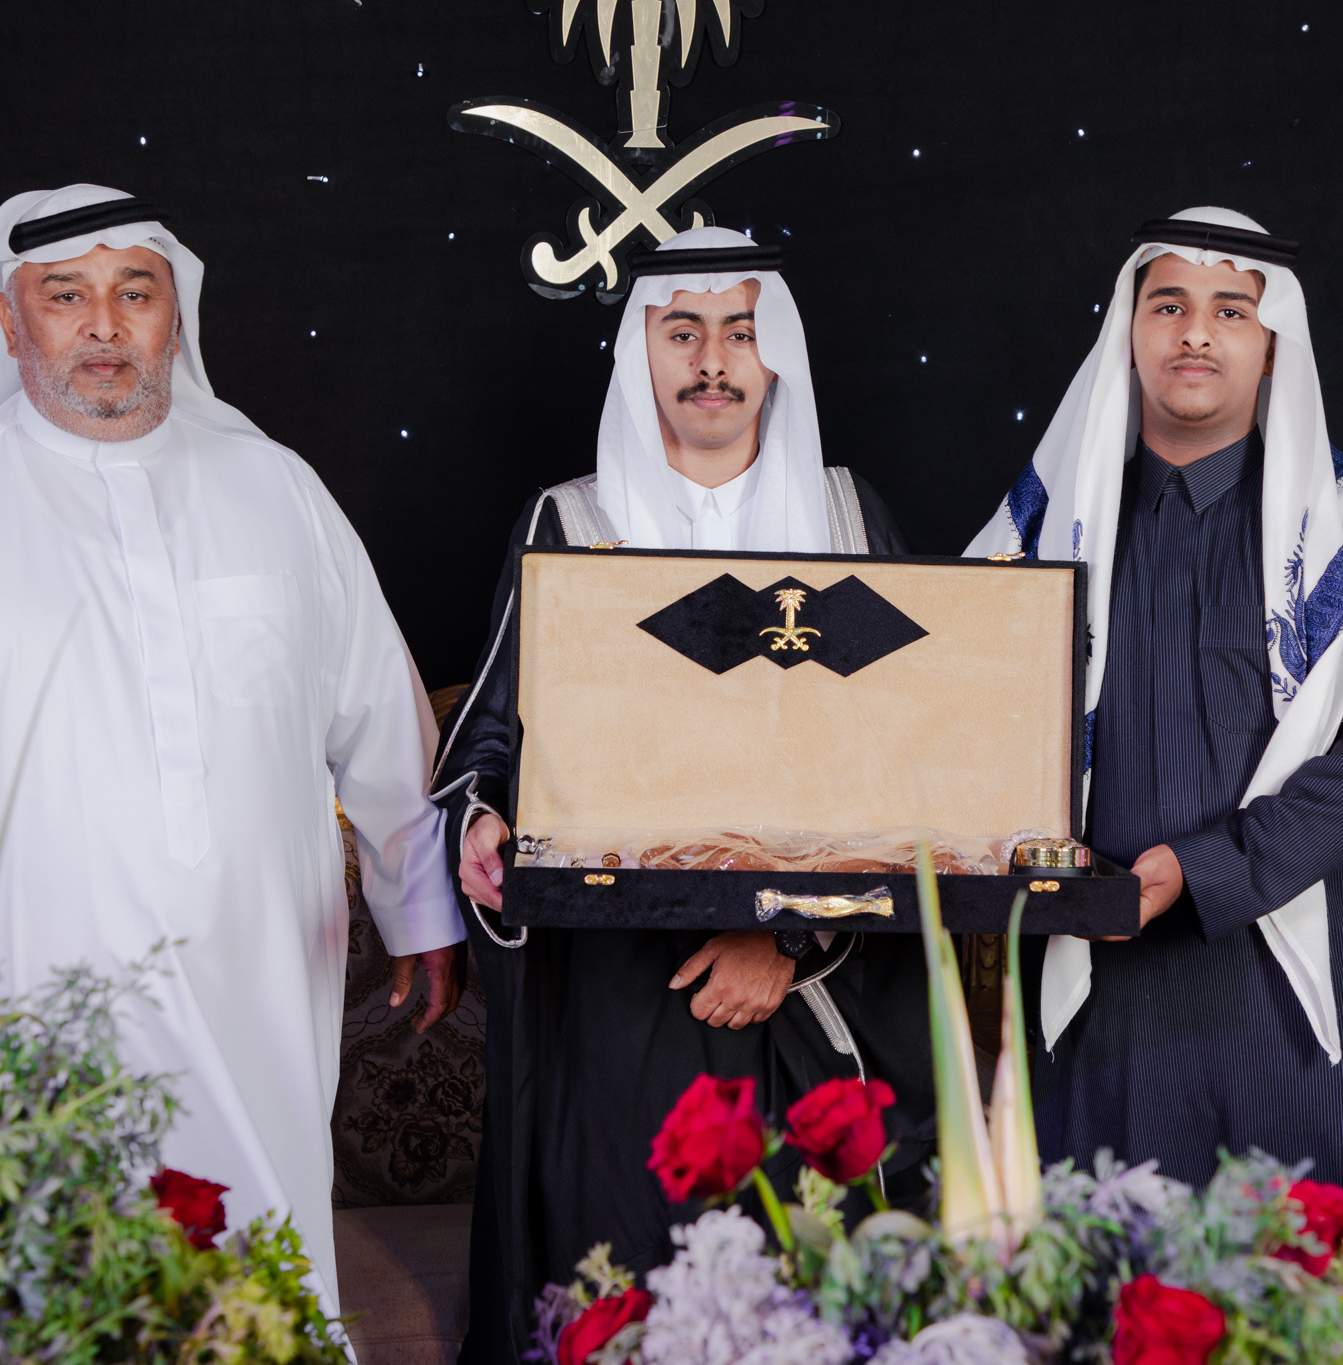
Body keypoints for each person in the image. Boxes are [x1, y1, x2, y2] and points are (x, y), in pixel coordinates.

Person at [0, 185, 465, 1316]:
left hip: (250, 1001)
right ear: (7, 320)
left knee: (246, 1287)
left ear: (175, 315)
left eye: (134, 293)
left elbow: (380, 716)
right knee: (8, 1290)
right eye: (65, 296)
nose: (104, 325)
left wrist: (423, 908)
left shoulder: (279, 493)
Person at [434, 227, 933, 1364]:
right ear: (641, 354)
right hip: (622, 980)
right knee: (619, 1273)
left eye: (740, 332)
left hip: (813, 980)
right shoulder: (570, 522)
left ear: (774, 353)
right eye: (683, 333)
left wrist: (784, 939)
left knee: (808, 1287)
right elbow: (496, 729)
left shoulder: (847, 520)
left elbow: (910, 761)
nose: (712, 360)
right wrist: (482, 820)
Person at [966, 207, 1343, 1320]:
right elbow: (964, 729)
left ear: (1272, 342)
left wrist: (1200, 868)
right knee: (1125, 1301)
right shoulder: (1038, 535)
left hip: (1320, 986)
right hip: (1112, 990)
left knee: (1333, 1304)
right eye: (1169, 305)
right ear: (1129, 331)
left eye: (1230, 309)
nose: (1196, 332)